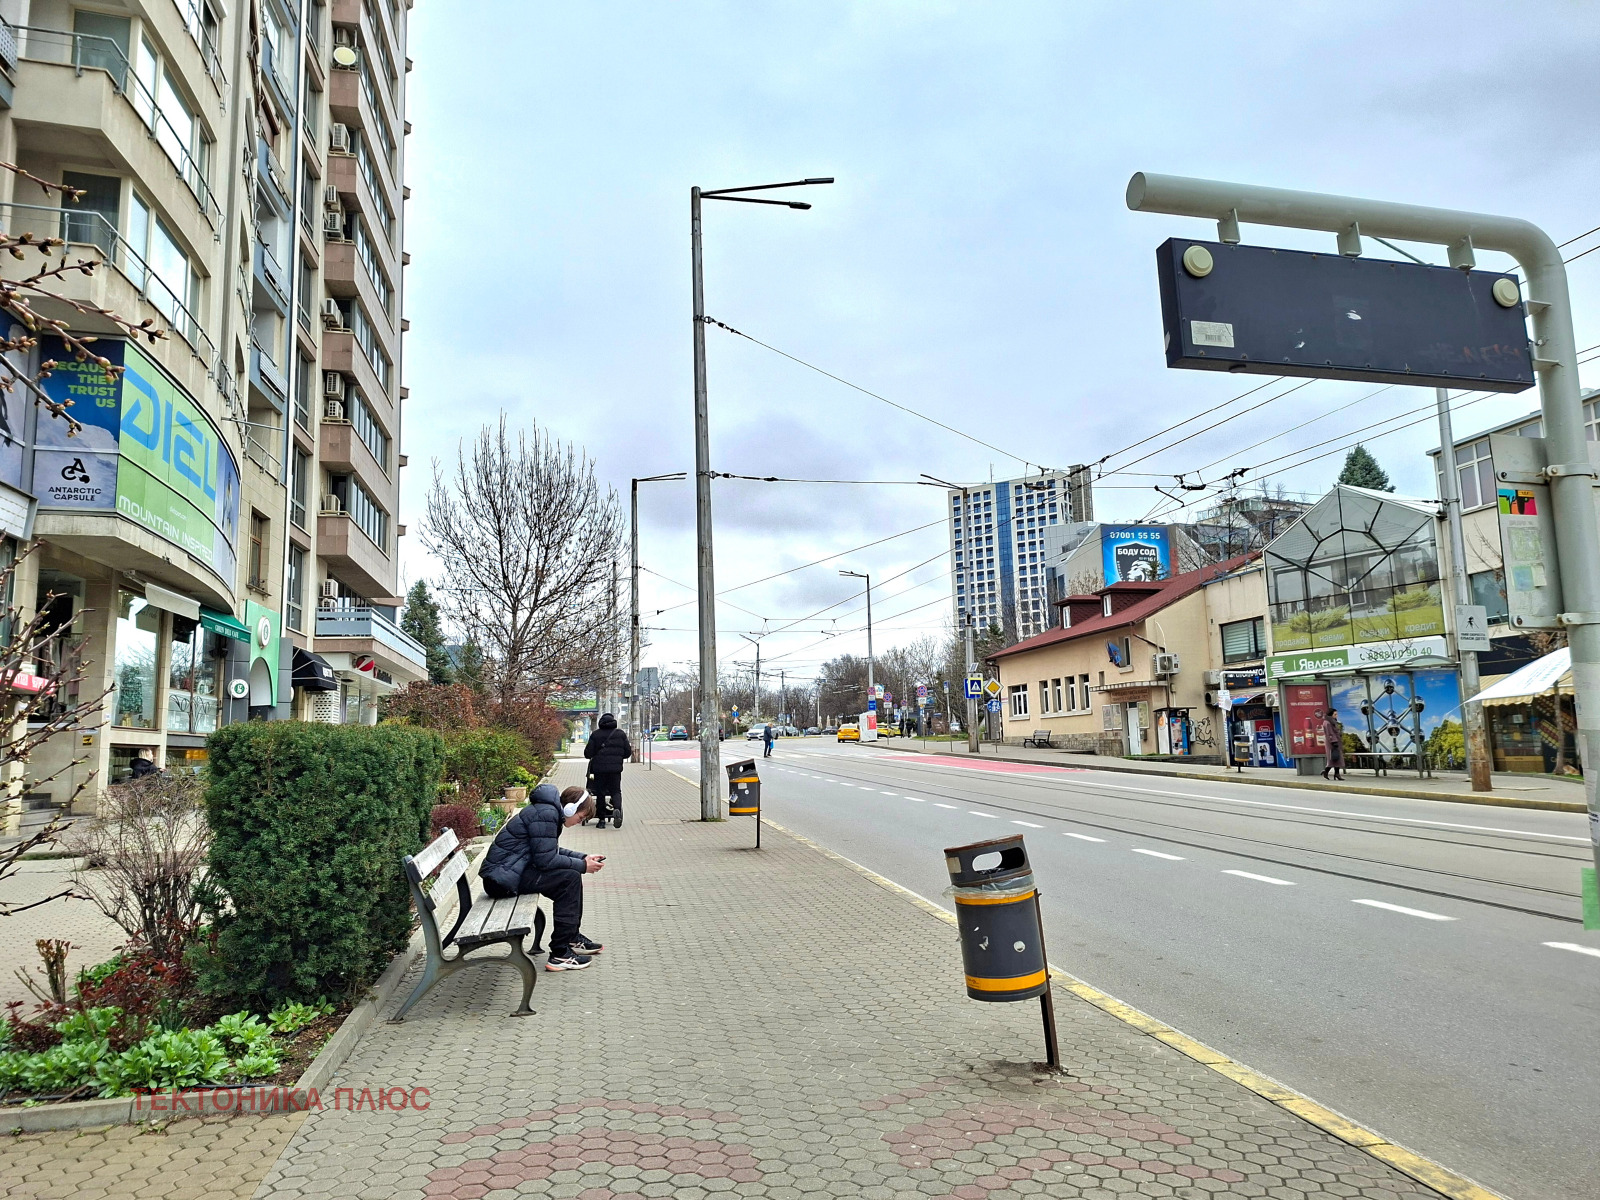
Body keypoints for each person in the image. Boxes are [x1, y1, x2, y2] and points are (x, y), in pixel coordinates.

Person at [479, 783, 606, 971]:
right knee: (569, 879)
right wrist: (582, 866)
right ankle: (560, 953)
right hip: (502, 880)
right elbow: (546, 860)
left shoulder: (547, 812)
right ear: (570, 808)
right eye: (580, 817)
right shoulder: (546, 814)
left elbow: (548, 850)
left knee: (570, 876)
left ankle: (570, 937)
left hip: (509, 873)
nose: (579, 822)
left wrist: (582, 858)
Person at [583, 712, 631, 828]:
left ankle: (601, 820)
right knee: (616, 791)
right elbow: (627, 752)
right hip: (615, 770)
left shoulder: (596, 735)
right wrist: (618, 758)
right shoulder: (620, 734)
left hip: (599, 770)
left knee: (600, 793)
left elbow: (588, 753)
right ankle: (617, 809)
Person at [1320, 709, 1346, 781]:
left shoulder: (1332, 721)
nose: (1336, 716)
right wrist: (1334, 742)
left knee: (1337, 758)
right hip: (1332, 743)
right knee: (1333, 758)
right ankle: (1327, 772)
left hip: (1336, 741)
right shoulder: (1327, 723)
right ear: (1330, 714)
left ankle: (1336, 774)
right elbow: (1330, 733)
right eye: (1335, 714)